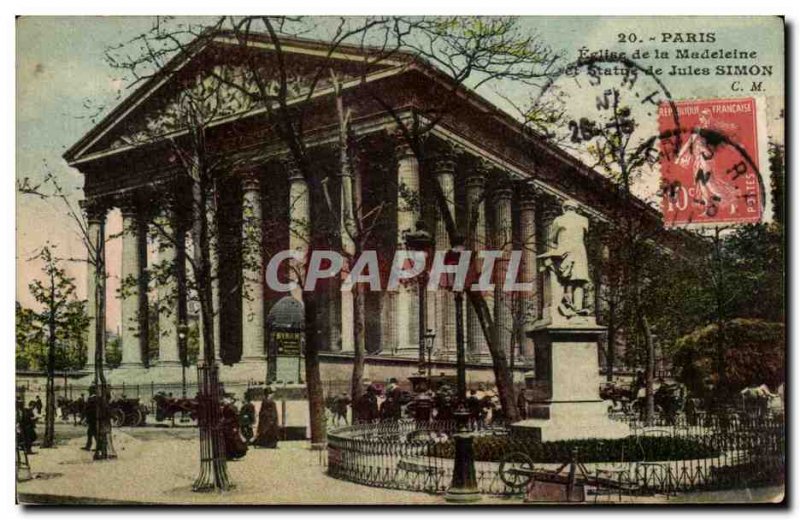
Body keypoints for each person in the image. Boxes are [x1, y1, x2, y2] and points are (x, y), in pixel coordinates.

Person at [538, 200, 591, 317]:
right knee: (579, 281)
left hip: (565, 251)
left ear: (564, 209)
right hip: (580, 252)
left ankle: (568, 306)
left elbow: (552, 238)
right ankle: (578, 307)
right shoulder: (584, 220)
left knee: (566, 280)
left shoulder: (559, 220)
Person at [82, 387, 98, 451]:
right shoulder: (96, 398)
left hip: (91, 418)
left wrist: (86, 418)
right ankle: (89, 446)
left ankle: (92, 446)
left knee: (93, 433)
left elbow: (88, 409)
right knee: (91, 433)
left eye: (90, 391)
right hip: (94, 418)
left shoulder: (91, 399)